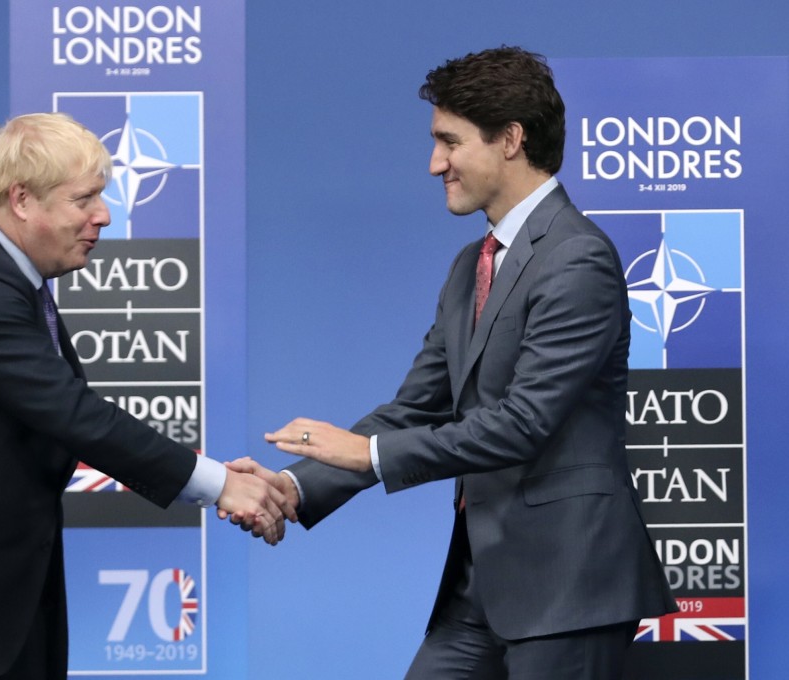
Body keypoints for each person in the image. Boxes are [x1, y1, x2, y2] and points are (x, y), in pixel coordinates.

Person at [233, 46, 676, 678]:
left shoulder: (578, 258)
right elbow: (416, 406)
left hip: (569, 588)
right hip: (478, 588)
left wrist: (369, 455)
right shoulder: (471, 264)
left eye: (449, 141)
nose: (434, 162)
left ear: (511, 140)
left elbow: (525, 422)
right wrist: (296, 487)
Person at [0, 112, 295, 680]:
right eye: (85, 199)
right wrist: (221, 484)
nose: (104, 215)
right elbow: (72, 414)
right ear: (21, 199)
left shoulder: (10, 284)